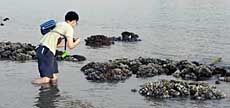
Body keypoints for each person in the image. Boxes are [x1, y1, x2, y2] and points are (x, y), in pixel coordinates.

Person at [32, 11, 81, 84]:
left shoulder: (59, 24)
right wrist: (78, 41)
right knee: (46, 79)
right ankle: (29, 86)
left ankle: (52, 95)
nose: (75, 25)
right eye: (76, 23)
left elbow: (56, 44)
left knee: (54, 77)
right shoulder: (69, 28)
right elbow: (71, 46)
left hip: (45, 50)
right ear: (74, 21)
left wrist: (66, 44)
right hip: (46, 50)